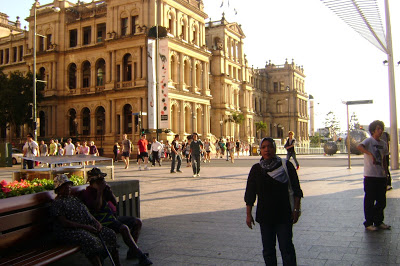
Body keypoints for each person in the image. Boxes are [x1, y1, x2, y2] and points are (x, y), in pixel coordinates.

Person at [245, 137, 303, 265]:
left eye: (270, 146)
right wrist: (248, 214)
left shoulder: (286, 166)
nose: (267, 150)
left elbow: (296, 189)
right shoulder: (256, 169)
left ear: (275, 148)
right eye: (264, 147)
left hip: (284, 214)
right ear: (260, 150)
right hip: (265, 216)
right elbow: (250, 194)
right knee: (268, 250)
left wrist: (296, 209)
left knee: (286, 248)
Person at [82, 168, 152, 265]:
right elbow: (96, 208)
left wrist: (109, 192)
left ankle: (132, 251)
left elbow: (114, 202)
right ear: (94, 182)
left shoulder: (104, 190)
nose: (103, 182)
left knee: (137, 222)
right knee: (124, 228)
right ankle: (140, 255)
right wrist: (99, 192)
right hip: (101, 221)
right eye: (100, 180)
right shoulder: (88, 192)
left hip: (111, 218)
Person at [50, 174, 121, 266]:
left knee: (109, 234)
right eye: (64, 186)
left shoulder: (74, 199)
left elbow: (87, 212)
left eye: (69, 185)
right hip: (70, 231)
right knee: (90, 240)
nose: (68, 188)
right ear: (58, 189)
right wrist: (86, 227)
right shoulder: (57, 203)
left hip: (85, 227)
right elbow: (64, 222)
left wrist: (96, 222)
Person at [357, 120, 391, 231]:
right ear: (373, 131)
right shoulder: (369, 141)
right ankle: (368, 223)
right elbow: (359, 147)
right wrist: (370, 153)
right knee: (369, 201)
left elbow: (385, 159)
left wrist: (386, 173)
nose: (380, 131)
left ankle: (378, 221)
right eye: (378, 129)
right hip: (370, 176)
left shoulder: (383, 144)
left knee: (382, 201)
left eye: (381, 128)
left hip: (381, 176)